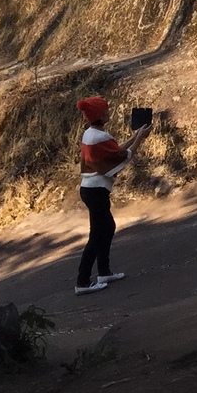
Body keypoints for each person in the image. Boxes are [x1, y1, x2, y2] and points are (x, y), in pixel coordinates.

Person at [75, 95, 148, 295]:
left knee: (106, 228)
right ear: (100, 114)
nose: (109, 112)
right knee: (98, 233)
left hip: (90, 189)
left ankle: (104, 272)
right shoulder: (100, 137)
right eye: (106, 110)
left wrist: (135, 136)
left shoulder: (90, 134)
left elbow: (114, 152)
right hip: (95, 190)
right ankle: (82, 281)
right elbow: (123, 157)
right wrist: (139, 139)